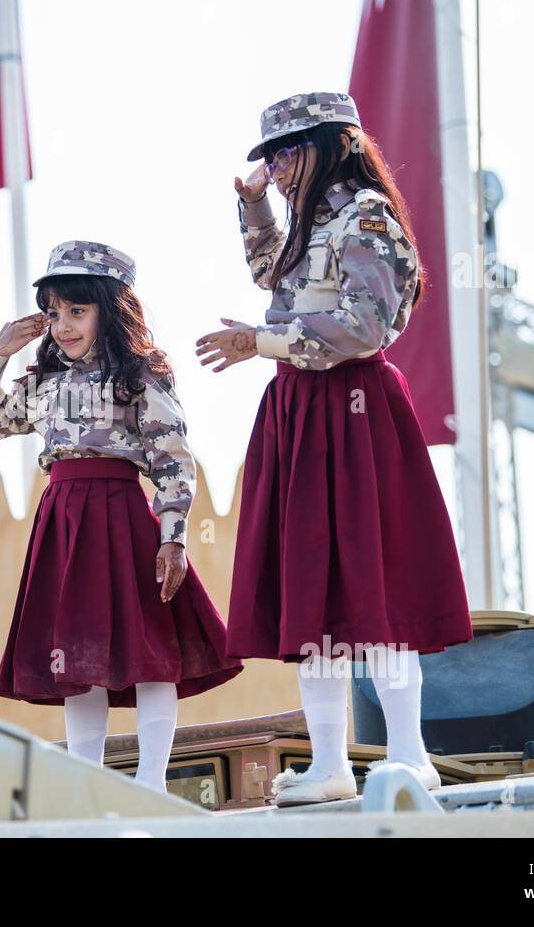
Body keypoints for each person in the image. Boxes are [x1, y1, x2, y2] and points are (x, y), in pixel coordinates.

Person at [195, 92, 474, 806]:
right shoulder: (305, 222)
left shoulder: (366, 217)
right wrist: (252, 206)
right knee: (308, 592)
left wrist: (259, 342)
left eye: (287, 154)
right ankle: (329, 763)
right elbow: (269, 276)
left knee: (377, 588)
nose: (279, 170)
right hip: (301, 412)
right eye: (271, 158)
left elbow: (363, 326)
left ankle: (411, 753)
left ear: (327, 146)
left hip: (355, 414)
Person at [0, 240, 243, 792]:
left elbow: (173, 458)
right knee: (77, 654)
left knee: (152, 647)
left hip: (123, 517)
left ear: (108, 309)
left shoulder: (142, 373)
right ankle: (90, 786)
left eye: (77, 311)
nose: (63, 326)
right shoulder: (42, 380)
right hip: (62, 522)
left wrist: (174, 538)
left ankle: (152, 783)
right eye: (54, 313)